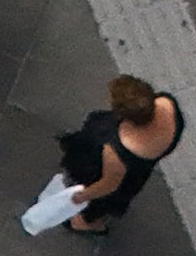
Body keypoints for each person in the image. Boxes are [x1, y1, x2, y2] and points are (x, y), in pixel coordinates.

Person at [19, 73, 180, 236]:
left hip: (106, 176)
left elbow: (109, 184)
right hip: (138, 173)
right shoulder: (167, 104)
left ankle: (86, 224)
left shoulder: (116, 149)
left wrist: (80, 197)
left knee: (91, 210)